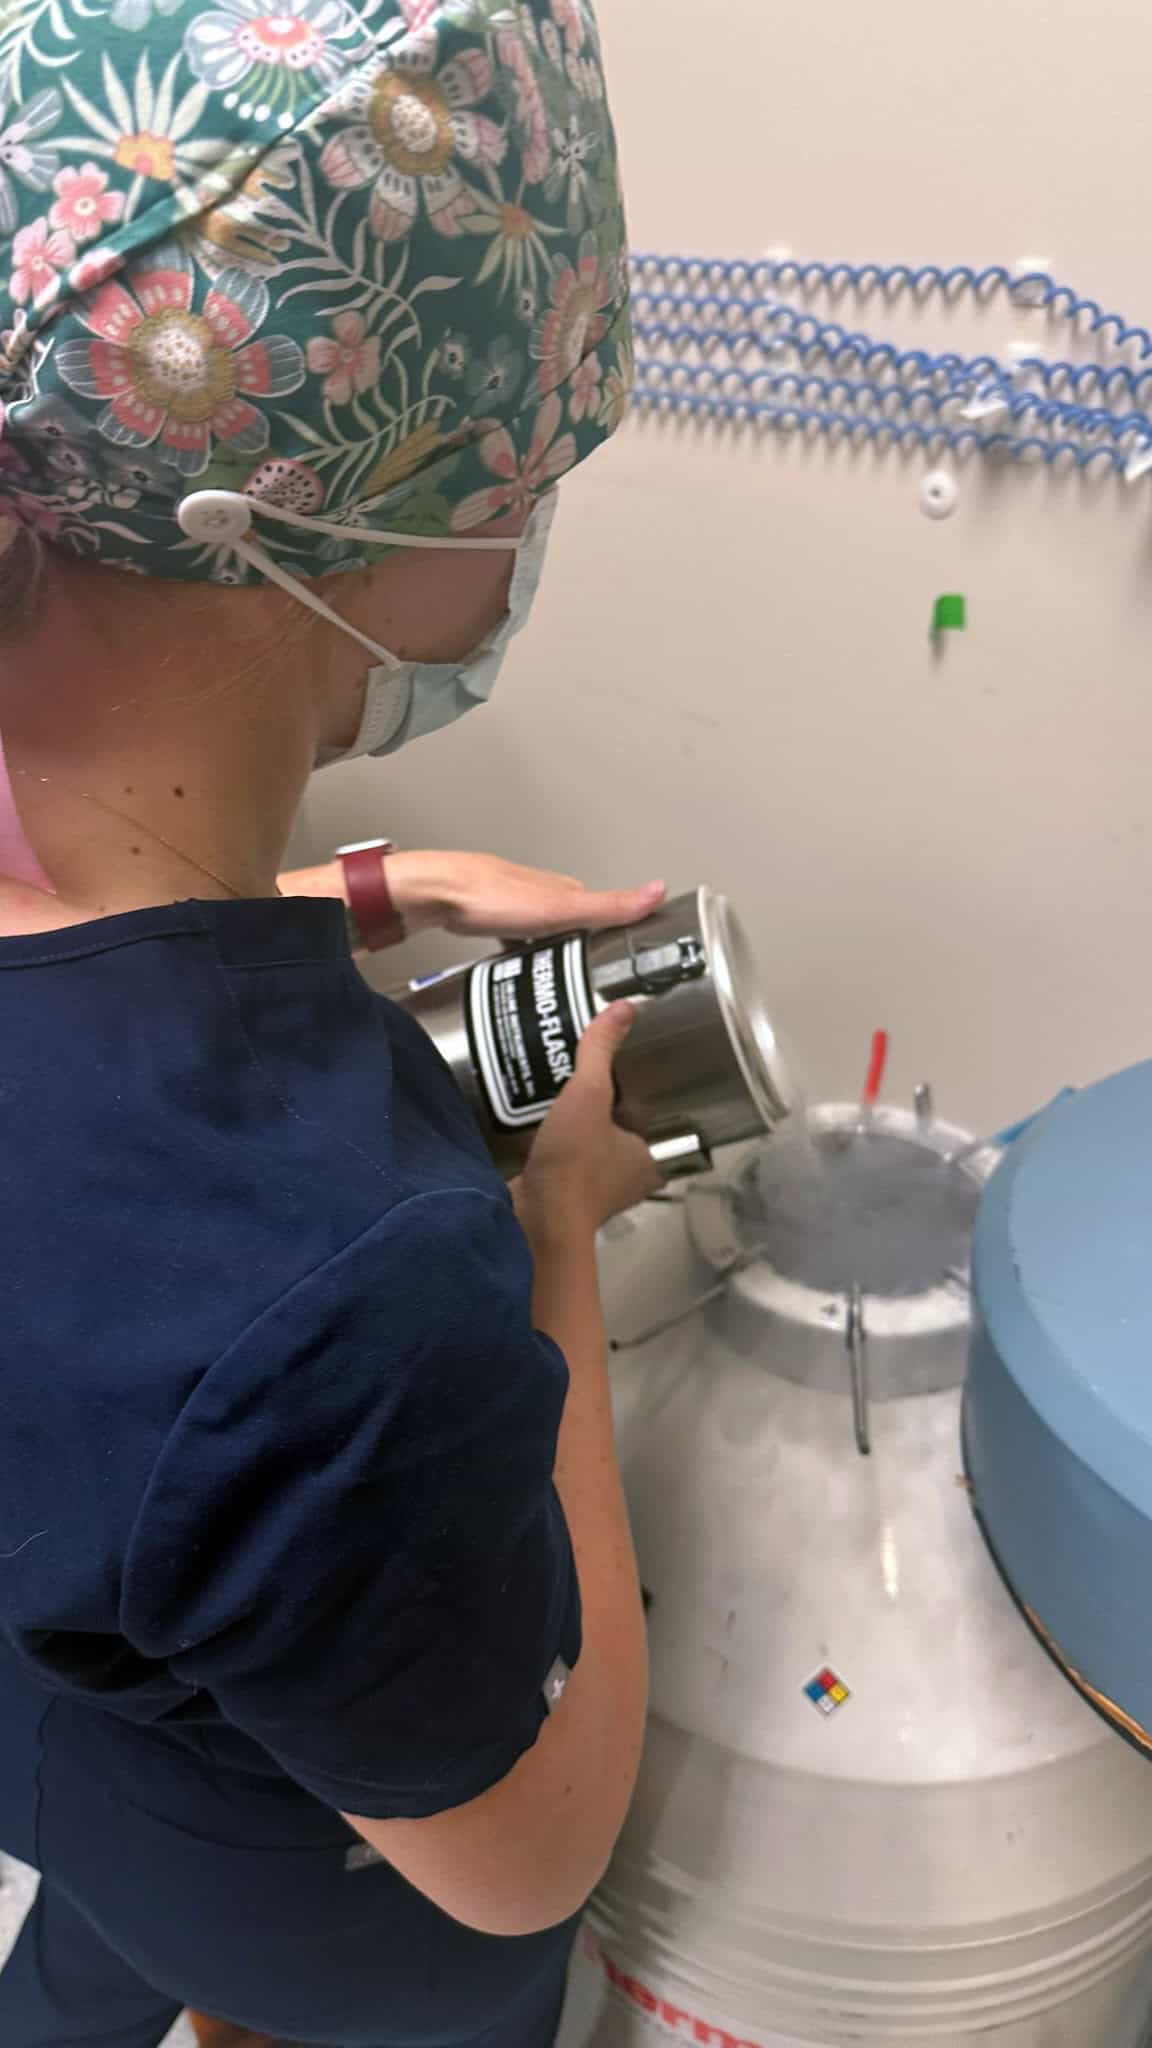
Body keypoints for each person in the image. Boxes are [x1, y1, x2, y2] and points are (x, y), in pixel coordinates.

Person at [0, 1, 657, 2041]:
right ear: (329, 528)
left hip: (67, 1741)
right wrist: (555, 1228)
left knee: (114, 1905)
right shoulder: (337, 1290)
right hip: (344, 1914)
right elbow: (533, 1851)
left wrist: (381, 884)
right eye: (538, 460)